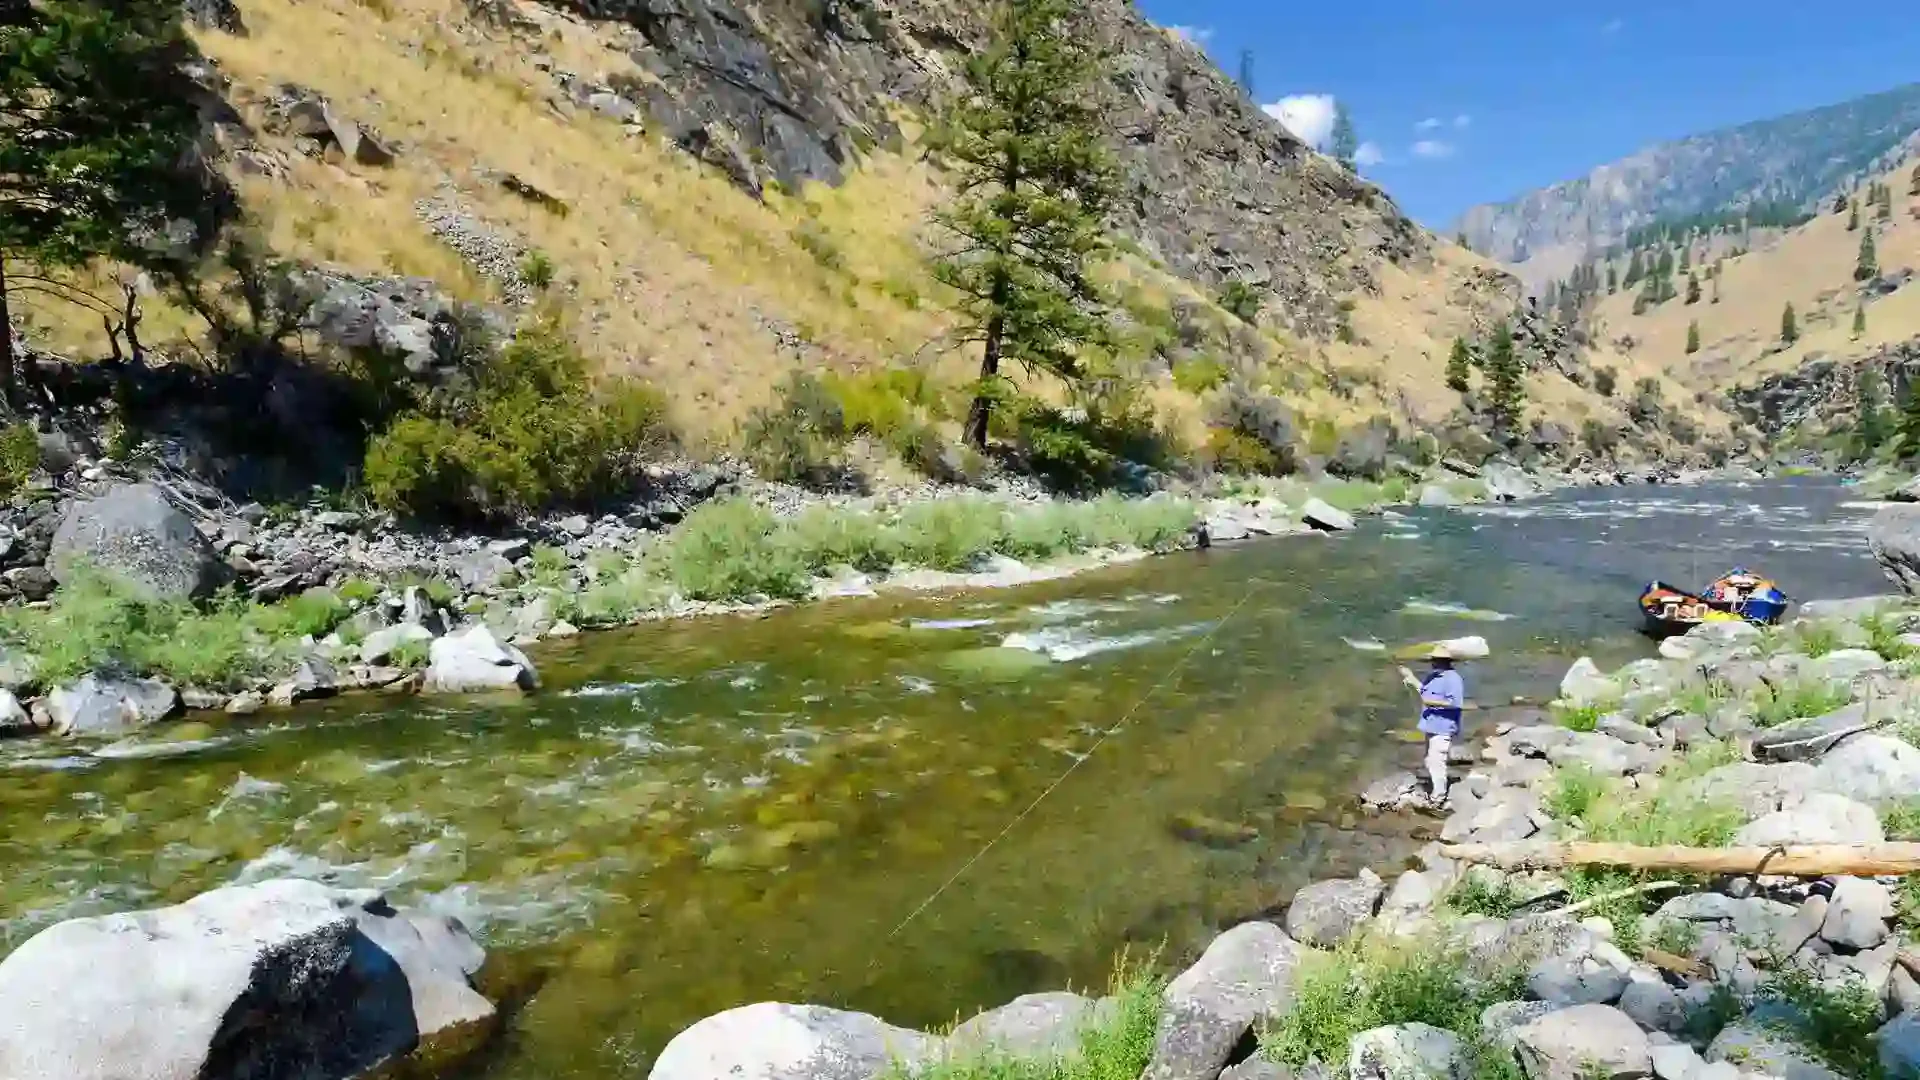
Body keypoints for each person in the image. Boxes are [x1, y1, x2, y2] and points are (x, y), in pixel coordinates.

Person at [1399, 645, 1465, 808]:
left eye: (1436, 660)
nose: (1433, 663)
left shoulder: (1453, 679)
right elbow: (1424, 692)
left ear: (1445, 661)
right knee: (1430, 760)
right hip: (1431, 725)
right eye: (1433, 660)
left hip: (1443, 726)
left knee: (1437, 761)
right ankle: (1438, 790)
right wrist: (1411, 678)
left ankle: (1438, 797)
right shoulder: (1433, 677)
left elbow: (1455, 703)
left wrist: (1432, 702)